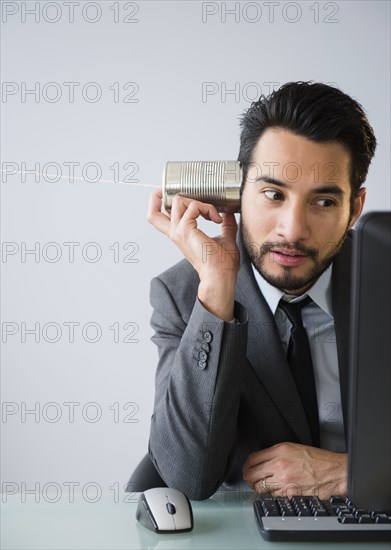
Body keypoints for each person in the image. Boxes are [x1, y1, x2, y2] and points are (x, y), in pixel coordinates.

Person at [146, 81, 377, 501]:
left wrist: (356, 471)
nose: (293, 230)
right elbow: (185, 479)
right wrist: (216, 294)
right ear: (237, 194)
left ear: (354, 209)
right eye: (273, 194)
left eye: (323, 202)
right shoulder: (182, 296)